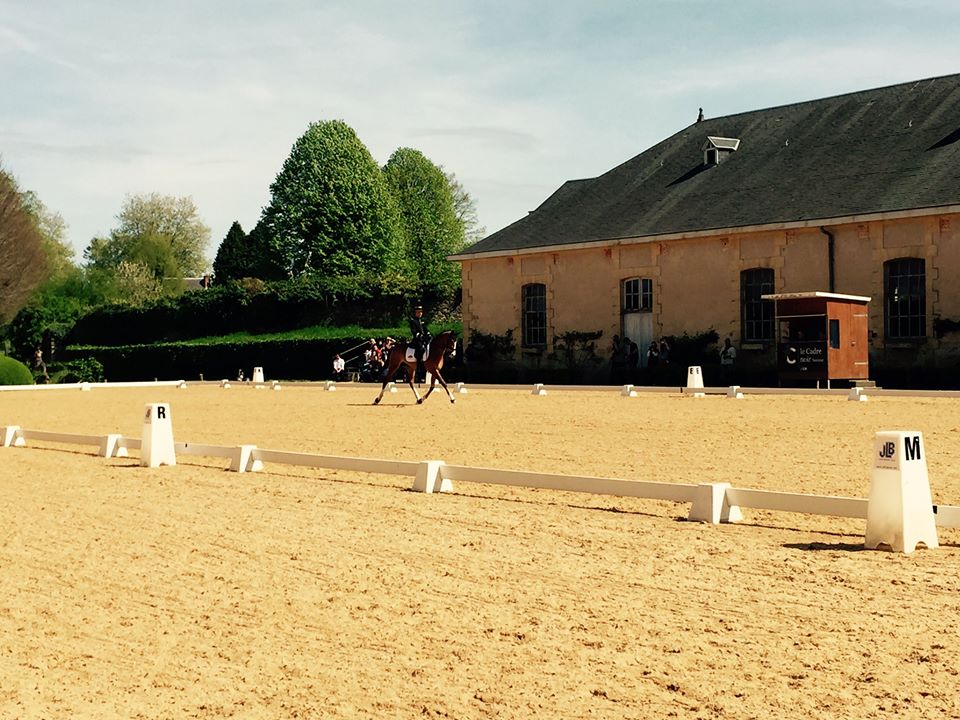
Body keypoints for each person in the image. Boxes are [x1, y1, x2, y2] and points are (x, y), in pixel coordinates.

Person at [409, 305, 431, 382]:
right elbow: (414, 331)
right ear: (416, 313)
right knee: (421, 349)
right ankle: (418, 368)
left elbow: (425, 329)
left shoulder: (422, 321)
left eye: (421, 312)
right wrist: (420, 336)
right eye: (419, 312)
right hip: (417, 340)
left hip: (423, 339)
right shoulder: (413, 321)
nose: (420, 313)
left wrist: (428, 333)